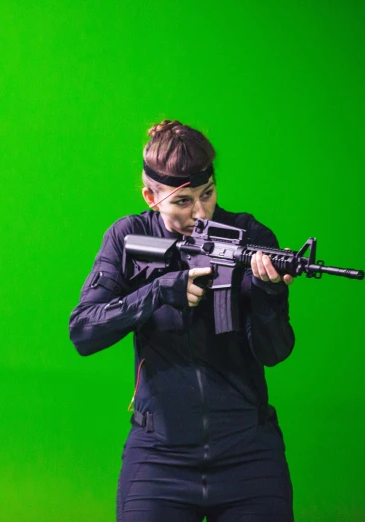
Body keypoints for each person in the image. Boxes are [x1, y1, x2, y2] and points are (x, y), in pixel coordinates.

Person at [69, 120, 295, 521]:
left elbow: (275, 352)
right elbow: (84, 330)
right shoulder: (128, 237)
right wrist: (158, 293)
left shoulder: (249, 235)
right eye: (183, 202)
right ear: (150, 197)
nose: (200, 212)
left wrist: (270, 293)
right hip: (160, 455)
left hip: (248, 453)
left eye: (207, 194)